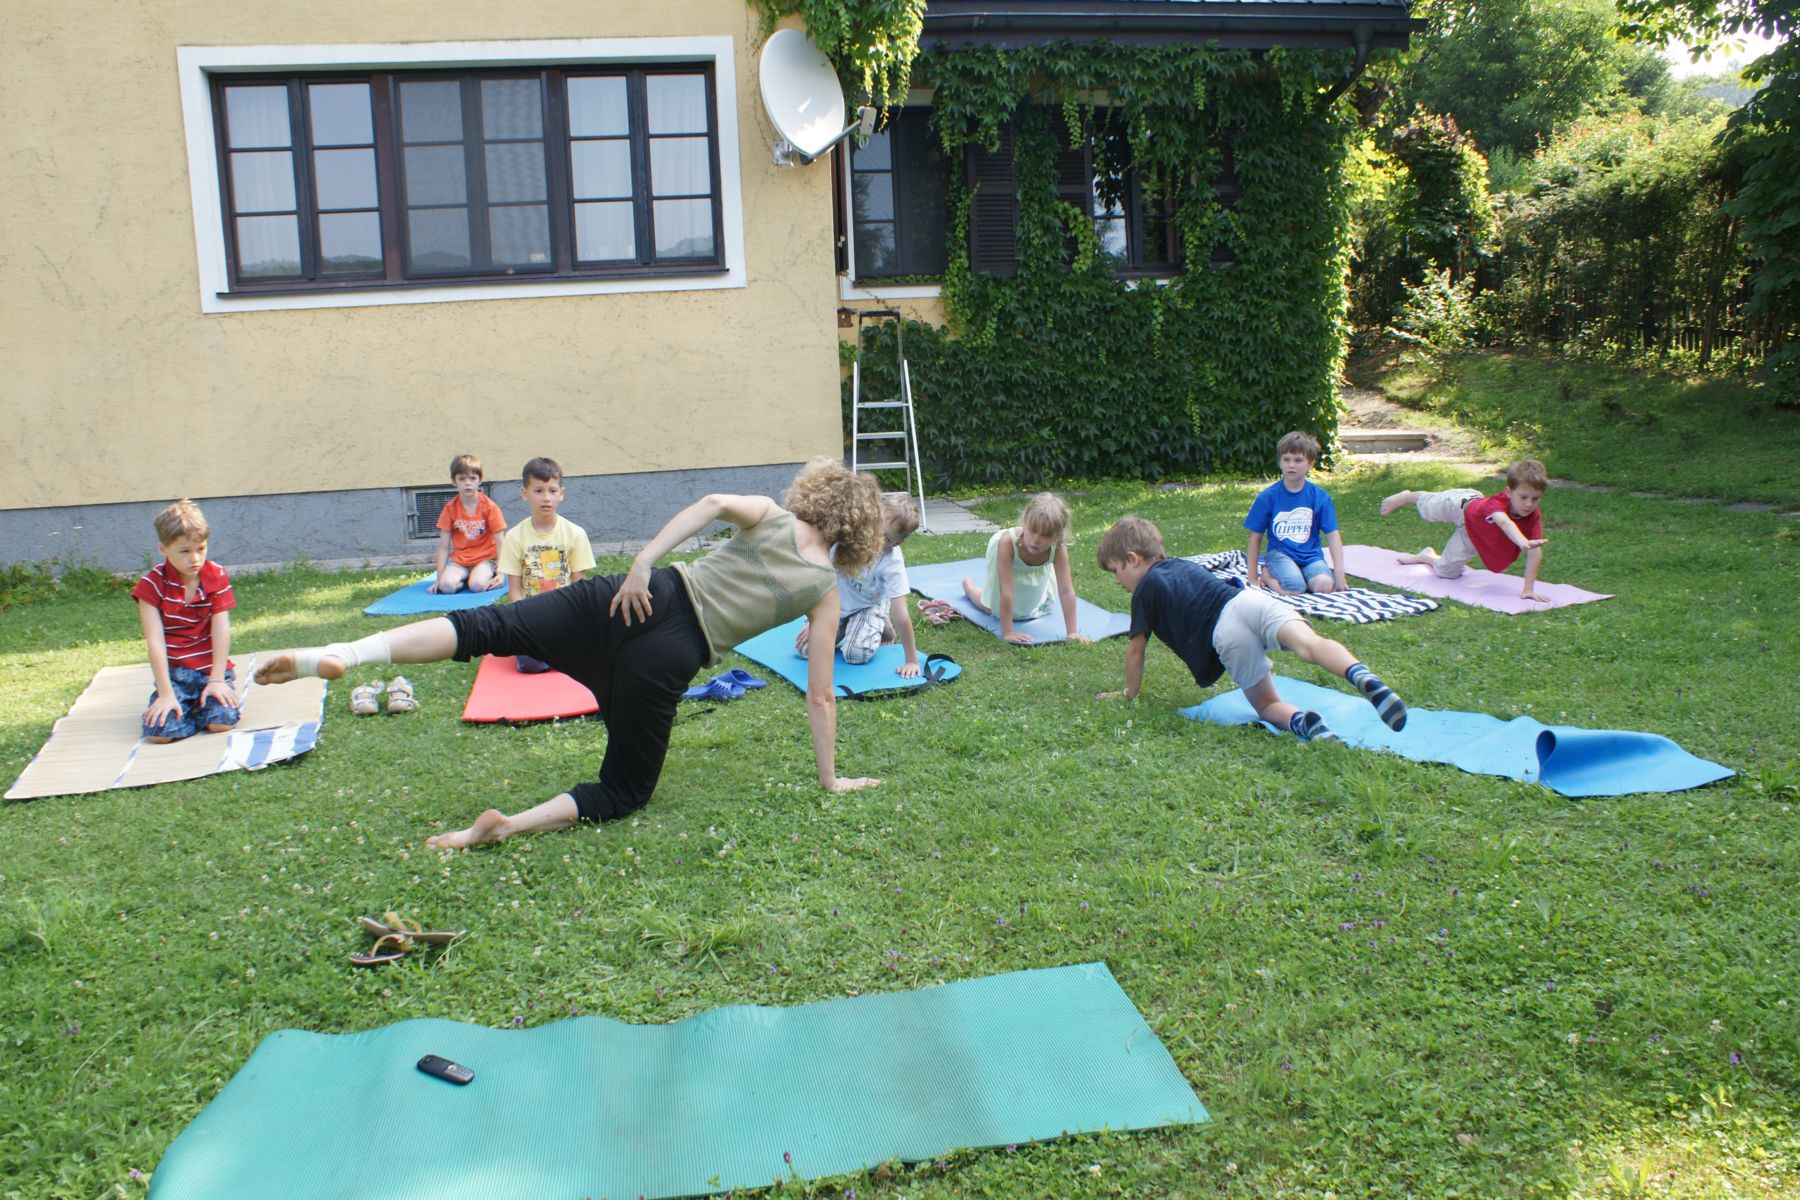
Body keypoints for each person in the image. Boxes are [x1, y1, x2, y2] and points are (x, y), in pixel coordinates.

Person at [253, 458, 887, 848]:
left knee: (488, 625)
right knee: (623, 790)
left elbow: (712, 503)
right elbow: (821, 696)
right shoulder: (824, 592)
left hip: (635, 598)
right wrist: (830, 779)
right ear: (859, 531)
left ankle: (347, 654)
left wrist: (643, 561)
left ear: (817, 493)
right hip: (672, 656)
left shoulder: (771, 514)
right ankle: (506, 826)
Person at [1095, 516, 1406, 742]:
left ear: (1132, 559)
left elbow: (1136, 651)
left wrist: (1129, 693)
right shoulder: (1183, 564)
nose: (1117, 581)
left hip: (1227, 634)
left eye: (1115, 571)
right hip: (1248, 602)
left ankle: (1303, 722)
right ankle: (1359, 674)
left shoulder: (1144, 591)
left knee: (1267, 705)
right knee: (1311, 644)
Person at [131, 499, 239, 743]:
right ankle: (188, 710)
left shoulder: (216, 575)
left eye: (201, 548)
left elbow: (221, 629)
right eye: (184, 551)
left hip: (211, 670)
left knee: (221, 723)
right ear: (163, 549)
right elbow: (155, 641)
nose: (195, 559)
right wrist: (165, 693)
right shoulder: (151, 585)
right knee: (160, 736)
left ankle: (201, 708)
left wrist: (217, 679)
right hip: (175, 675)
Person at [1380, 459, 1550, 602]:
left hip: (1472, 535)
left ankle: (1427, 556)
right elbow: (1504, 522)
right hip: (1462, 505)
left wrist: (1528, 589)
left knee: (1446, 572)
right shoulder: (1497, 503)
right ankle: (1407, 496)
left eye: (1535, 499)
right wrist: (1523, 542)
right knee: (1429, 508)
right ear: (1509, 492)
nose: (1529, 504)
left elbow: (1535, 552)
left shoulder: (1533, 516)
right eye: (1523, 497)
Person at [796, 492, 922, 675]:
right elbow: (821, 576)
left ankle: (879, 617)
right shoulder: (849, 534)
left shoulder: (892, 563)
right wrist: (815, 620)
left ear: (897, 543)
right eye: (875, 528)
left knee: (855, 655)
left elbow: (901, 614)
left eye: (886, 538)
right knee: (806, 650)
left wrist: (911, 661)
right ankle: (855, 625)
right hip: (836, 603)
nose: (875, 538)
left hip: (868, 604)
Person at [499, 456, 596, 673]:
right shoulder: (514, 537)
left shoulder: (576, 534)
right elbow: (514, 590)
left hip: (566, 614)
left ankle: (557, 653)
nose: (546, 498)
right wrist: (529, 621)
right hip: (530, 617)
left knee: (589, 652)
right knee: (529, 665)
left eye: (552, 491)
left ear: (561, 493)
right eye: (538, 490)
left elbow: (580, 588)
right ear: (524, 493)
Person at [962, 492, 1087, 644]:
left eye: (1045, 535)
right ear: (1025, 522)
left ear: (1057, 536)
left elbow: (1066, 591)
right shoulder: (1007, 542)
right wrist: (1008, 632)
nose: (1036, 539)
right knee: (992, 608)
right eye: (1033, 530)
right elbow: (1006, 591)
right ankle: (970, 589)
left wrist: (1072, 632)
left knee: (1030, 611)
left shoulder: (1058, 549)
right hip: (1005, 556)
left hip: (1035, 566)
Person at [1244, 430, 1346, 595]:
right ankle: (1267, 575)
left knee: (1325, 586)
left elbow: (1333, 535)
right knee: (1295, 588)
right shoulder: (1268, 497)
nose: (1291, 465)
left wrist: (1340, 575)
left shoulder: (1319, 497)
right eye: (1286, 459)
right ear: (1280, 462)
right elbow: (1255, 538)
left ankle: (1303, 575)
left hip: (1311, 556)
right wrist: (1252, 577)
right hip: (1280, 555)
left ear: (1310, 463)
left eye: (1298, 460)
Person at [430, 454, 506, 594]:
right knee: (446, 586)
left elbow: (500, 542)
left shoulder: (490, 507)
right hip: (461, 562)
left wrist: (501, 574)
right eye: (462, 479)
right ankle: (464, 582)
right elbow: (443, 547)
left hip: (486, 560)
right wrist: (439, 578)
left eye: (472, 478)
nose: (467, 483)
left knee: (477, 585)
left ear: (480, 480)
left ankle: (481, 577)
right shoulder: (449, 509)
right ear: (454, 481)